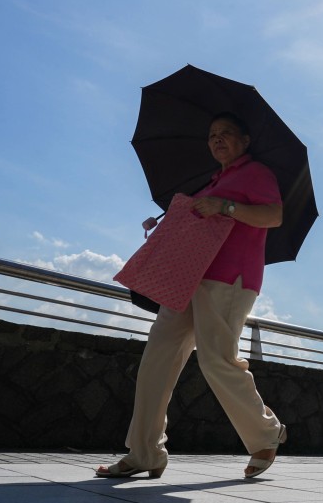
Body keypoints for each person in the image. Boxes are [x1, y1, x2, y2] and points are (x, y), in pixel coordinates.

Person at [97, 111, 287, 480]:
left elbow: (273, 216)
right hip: (188, 278)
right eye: (213, 134)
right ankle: (144, 453)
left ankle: (266, 433)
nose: (217, 139)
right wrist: (165, 219)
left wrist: (226, 206)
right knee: (156, 360)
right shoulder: (212, 181)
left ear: (245, 140)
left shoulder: (257, 173)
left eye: (227, 133)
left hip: (229, 278)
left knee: (216, 358)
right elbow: (197, 222)